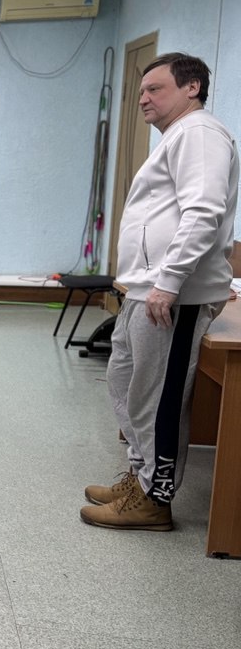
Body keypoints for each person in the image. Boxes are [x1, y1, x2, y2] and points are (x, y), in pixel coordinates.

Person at [80, 53, 239, 532]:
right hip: (144, 289)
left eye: (155, 89)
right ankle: (140, 476)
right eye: (142, 91)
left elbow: (204, 211)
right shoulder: (177, 137)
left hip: (174, 295)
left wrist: (168, 283)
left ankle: (154, 499)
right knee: (127, 383)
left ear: (192, 88)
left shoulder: (200, 134)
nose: (144, 99)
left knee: (157, 398)